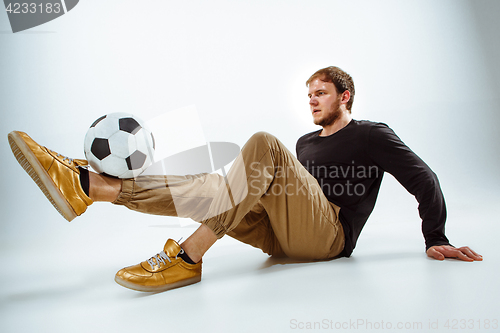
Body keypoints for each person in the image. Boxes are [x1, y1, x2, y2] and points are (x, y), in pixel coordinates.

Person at [8, 66, 482, 293]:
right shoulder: (305, 144)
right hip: (282, 235)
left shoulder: (371, 134)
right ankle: (92, 188)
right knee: (214, 187)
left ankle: (188, 257)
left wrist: (434, 236)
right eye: (308, 94)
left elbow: (426, 177)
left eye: (321, 93)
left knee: (261, 142)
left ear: (346, 95)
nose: (312, 101)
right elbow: (279, 192)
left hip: (330, 236)